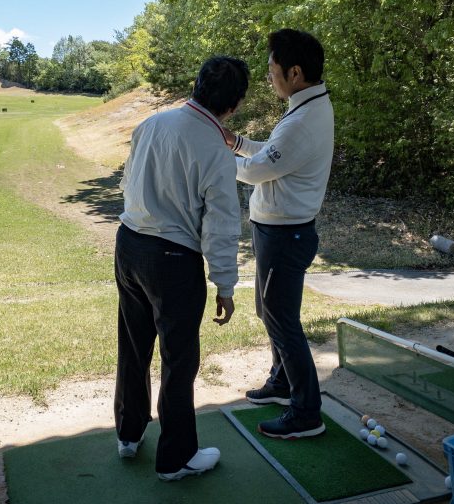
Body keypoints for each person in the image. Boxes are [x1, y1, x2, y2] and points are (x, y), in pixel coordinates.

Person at [114, 56, 248, 480]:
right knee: (179, 359)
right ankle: (175, 458)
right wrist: (224, 284)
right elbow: (221, 227)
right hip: (172, 259)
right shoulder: (217, 151)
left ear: (196, 85)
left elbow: (127, 180)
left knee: (134, 345)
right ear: (236, 104)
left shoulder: (153, 123)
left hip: (129, 243)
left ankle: (128, 434)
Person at [224, 29, 334, 439]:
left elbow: (255, 172)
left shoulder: (303, 120)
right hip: (279, 232)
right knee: (269, 313)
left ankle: (306, 412)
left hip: (285, 236)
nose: (269, 78)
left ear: (295, 72)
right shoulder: (305, 106)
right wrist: (235, 142)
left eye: (273, 72)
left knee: (281, 320)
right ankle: (283, 382)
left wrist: (220, 154)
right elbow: (270, 151)